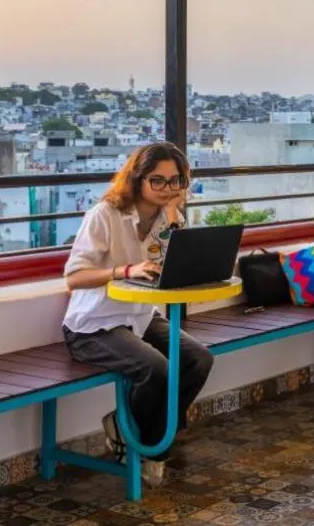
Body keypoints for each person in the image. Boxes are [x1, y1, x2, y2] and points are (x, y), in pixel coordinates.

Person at [61, 142, 215, 486]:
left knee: (199, 359)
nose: (167, 189)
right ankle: (150, 446)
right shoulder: (105, 215)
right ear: (138, 179)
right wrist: (125, 270)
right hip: (94, 325)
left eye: (176, 181)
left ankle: (128, 427)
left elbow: (180, 264)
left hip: (141, 317)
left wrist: (174, 217)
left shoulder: (167, 218)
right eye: (157, 181)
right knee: (156, 368)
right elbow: (73, 277)